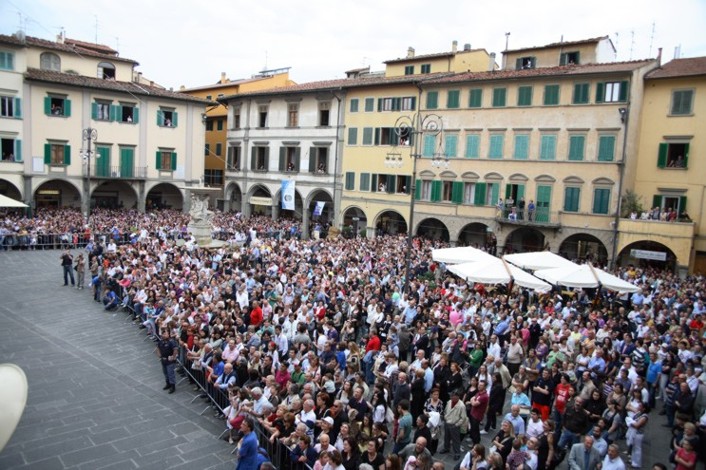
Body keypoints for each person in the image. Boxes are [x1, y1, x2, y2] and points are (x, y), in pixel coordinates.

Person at [440, 390, 467, 459]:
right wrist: (445, 417)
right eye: (452, 397)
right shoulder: (449, 402)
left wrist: (457, 424)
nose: (453, 398)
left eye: (454, 397)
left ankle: (457, 453)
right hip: (447, 422)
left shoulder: (461, 406)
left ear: (458, 397)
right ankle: (446, 448)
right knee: (446, 437)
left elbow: (463, 418)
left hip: (454, 424)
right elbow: (446, 410)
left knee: (456, 440)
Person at [156, 329, 178, 393]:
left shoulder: (171, 341)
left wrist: (173, 357)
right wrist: (159, 355)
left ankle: (172, 386)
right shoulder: (161, 341)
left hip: (170, 360)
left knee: (170, 373)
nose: (164, 335)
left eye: (166, 334)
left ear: (168, 334)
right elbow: (157, 348)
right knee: (165, 373)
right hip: (163, 360)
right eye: (163, 334)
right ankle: (168, 383)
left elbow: (175, 349)